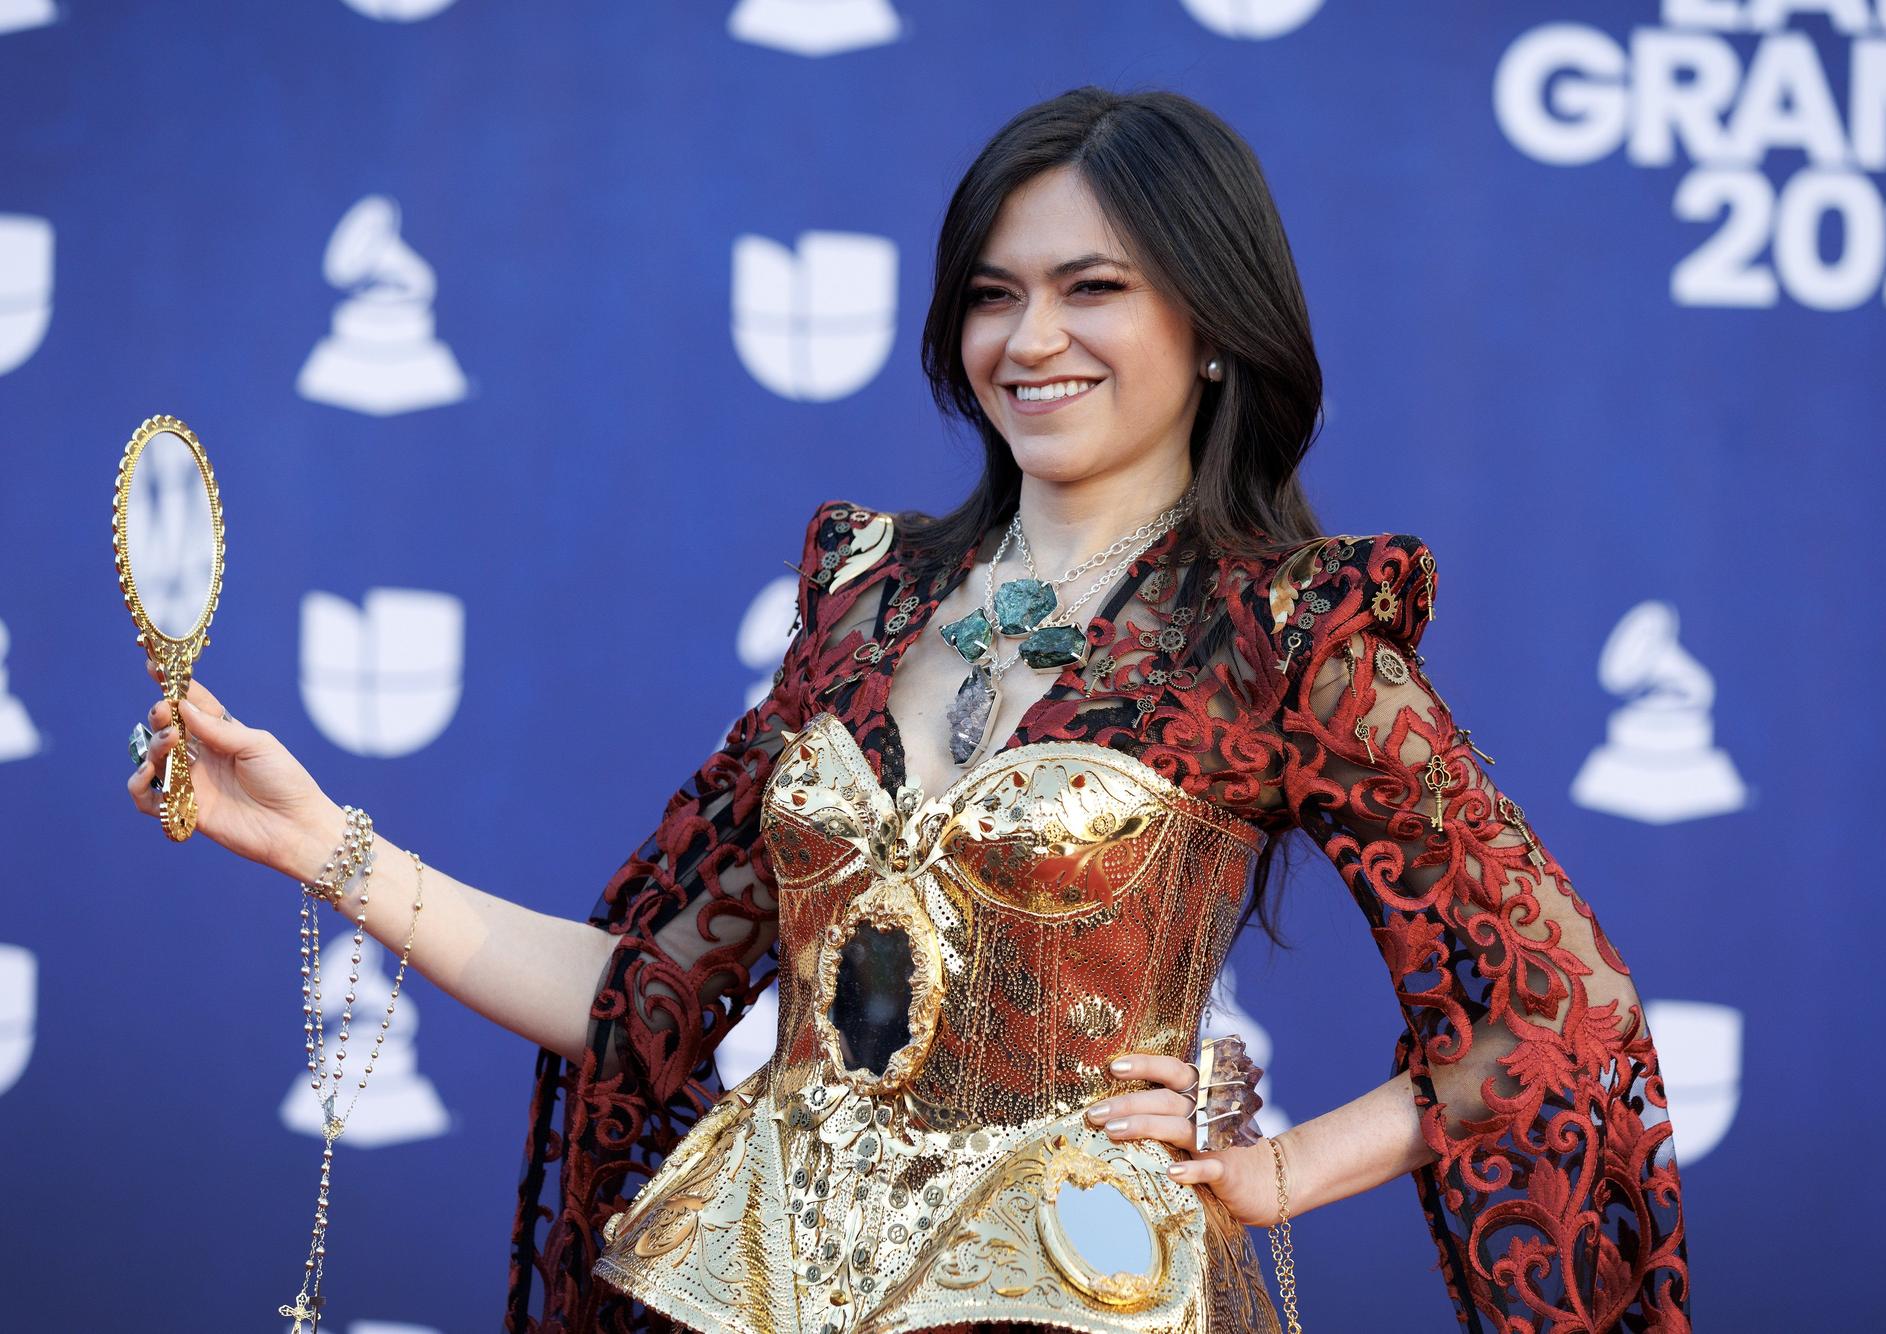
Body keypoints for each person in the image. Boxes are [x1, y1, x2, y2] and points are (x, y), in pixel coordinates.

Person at [129, 87, 1690, 1332]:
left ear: (1212, 327)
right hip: (733, 1280)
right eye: (993, 295)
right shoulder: (863, 591)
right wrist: (325, 843)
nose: (1032, 340)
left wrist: (1277, 1168)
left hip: (1084, 1296)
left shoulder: (1285, 635)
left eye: (1096, 289)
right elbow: (651, 991)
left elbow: (1562, 1016)